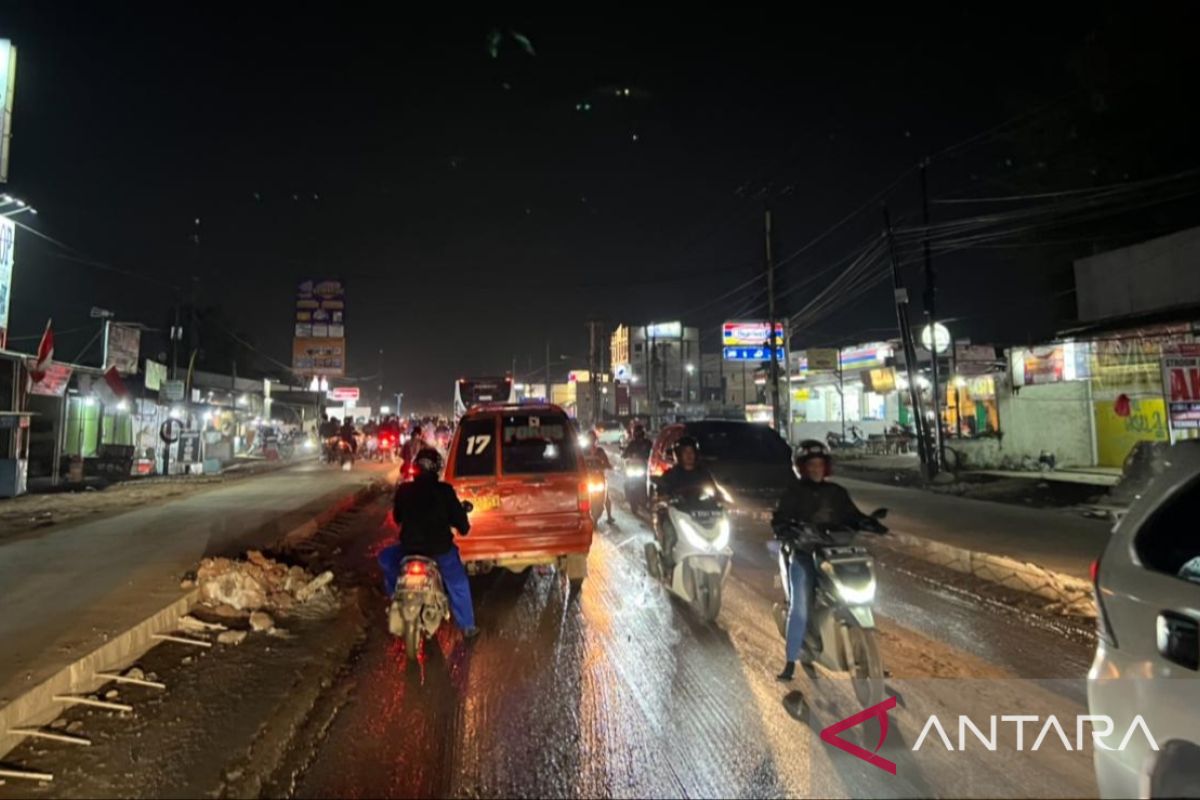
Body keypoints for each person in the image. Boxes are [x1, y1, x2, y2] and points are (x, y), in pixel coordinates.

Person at [771, 439, 885, 681]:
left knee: (851, 593)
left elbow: (853, 516)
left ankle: (870, 657)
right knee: (800, 607)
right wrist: (786, 529)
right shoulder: (793, 493)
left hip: (834, 555)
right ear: (803, 467)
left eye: (820, 464)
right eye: (811, 465)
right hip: (803, 556)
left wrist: (871, 523)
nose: (816, 469)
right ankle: (791, 661)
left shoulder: (836, 493)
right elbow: (780, 519)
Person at [378, 448, 478, 638]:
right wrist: (461, 525)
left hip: (409, 549)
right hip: (440, 550)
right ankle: (467, 626)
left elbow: (397, 517)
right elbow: (462, 525)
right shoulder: (445, 491)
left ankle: (394, 596)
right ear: (437, 469)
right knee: (458, 583)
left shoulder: (404, 490)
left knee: (385, 559)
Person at [655, 436, 716, 569]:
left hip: (700, 515)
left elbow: (713, 491)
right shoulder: (671, 475)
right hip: (677, 515)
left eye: (691, 452)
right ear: (679, 455)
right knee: (670, 535)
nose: (689, 456)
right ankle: (668, 563)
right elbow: (661, 490)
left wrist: (718, 499)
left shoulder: (703, 473)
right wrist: (664, 497)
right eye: (685, 452)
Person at [583, 430, 615, 524]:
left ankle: (609, 516)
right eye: (589, 438)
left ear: (595, 440)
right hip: (587, 478)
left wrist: (608, 466)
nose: (591, 440)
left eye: (593, 438)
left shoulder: (600, 451)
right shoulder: (582, 451)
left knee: (607, 496)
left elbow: (606, 462)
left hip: (599, 477)